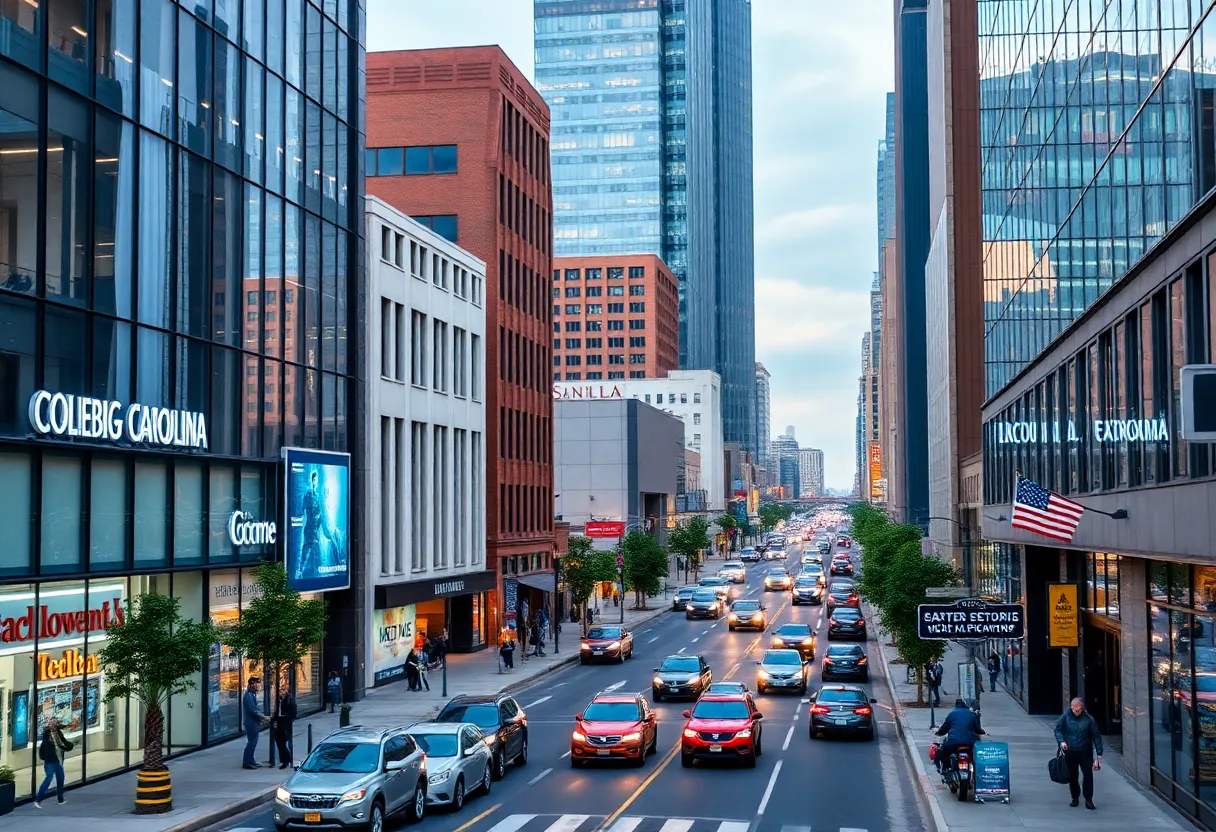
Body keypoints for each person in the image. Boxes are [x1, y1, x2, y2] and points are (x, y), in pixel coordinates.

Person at [1055, 697, 1104, 810]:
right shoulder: (1065, 717)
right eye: (1073, 707)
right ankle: (1075, 797)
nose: (1075, 709)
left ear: (1082, 707)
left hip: (1085, 751)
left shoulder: (1088, 719)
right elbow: (1058, 730)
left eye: (1077, 707)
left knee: (1087, 774)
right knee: (1073, 775)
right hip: (1070, 751)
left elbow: (1096, 736)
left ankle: (1088, 799)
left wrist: (1099, 753)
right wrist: (1061, 741)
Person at [934, 698, 985, 774]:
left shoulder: (952, 714)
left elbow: (944, 728)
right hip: (970, 743)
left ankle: (946, 769)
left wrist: (939, 732)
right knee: (975, 757)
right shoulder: (972, 714)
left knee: (944, 751)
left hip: (953, 742)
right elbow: (978, 729)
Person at [33, 718, 72, 808]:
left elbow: (62, 742)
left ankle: (60, 799)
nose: (54, 723)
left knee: (60, 778)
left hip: (57, 761)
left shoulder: (57, 733)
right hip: (50, 761)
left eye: (55, 722)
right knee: (49, 778)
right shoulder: (47, 735)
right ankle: (38, 800)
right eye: (53, 722)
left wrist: (68, 746)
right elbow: (48, 744)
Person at [242, 676, 265, 770]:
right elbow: (252, 710)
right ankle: (248, 762)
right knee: (252, 742)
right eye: (256, 684)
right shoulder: (248, 695)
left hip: (253, 722)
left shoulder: (251, 694)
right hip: (251, 722)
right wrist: (263, 717)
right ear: (251, 684)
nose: (258, 686)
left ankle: (250, 760)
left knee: (253, 742)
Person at [275, 689, 297, 769]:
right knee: (279, 742)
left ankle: (286, 760)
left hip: (285, 724)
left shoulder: (289, 700)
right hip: (279, 723)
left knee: (282, 742)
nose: (280, 693)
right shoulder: (280, 700)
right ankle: (286, 759)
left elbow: (293, 713)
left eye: (282, 691)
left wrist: (285, 717)